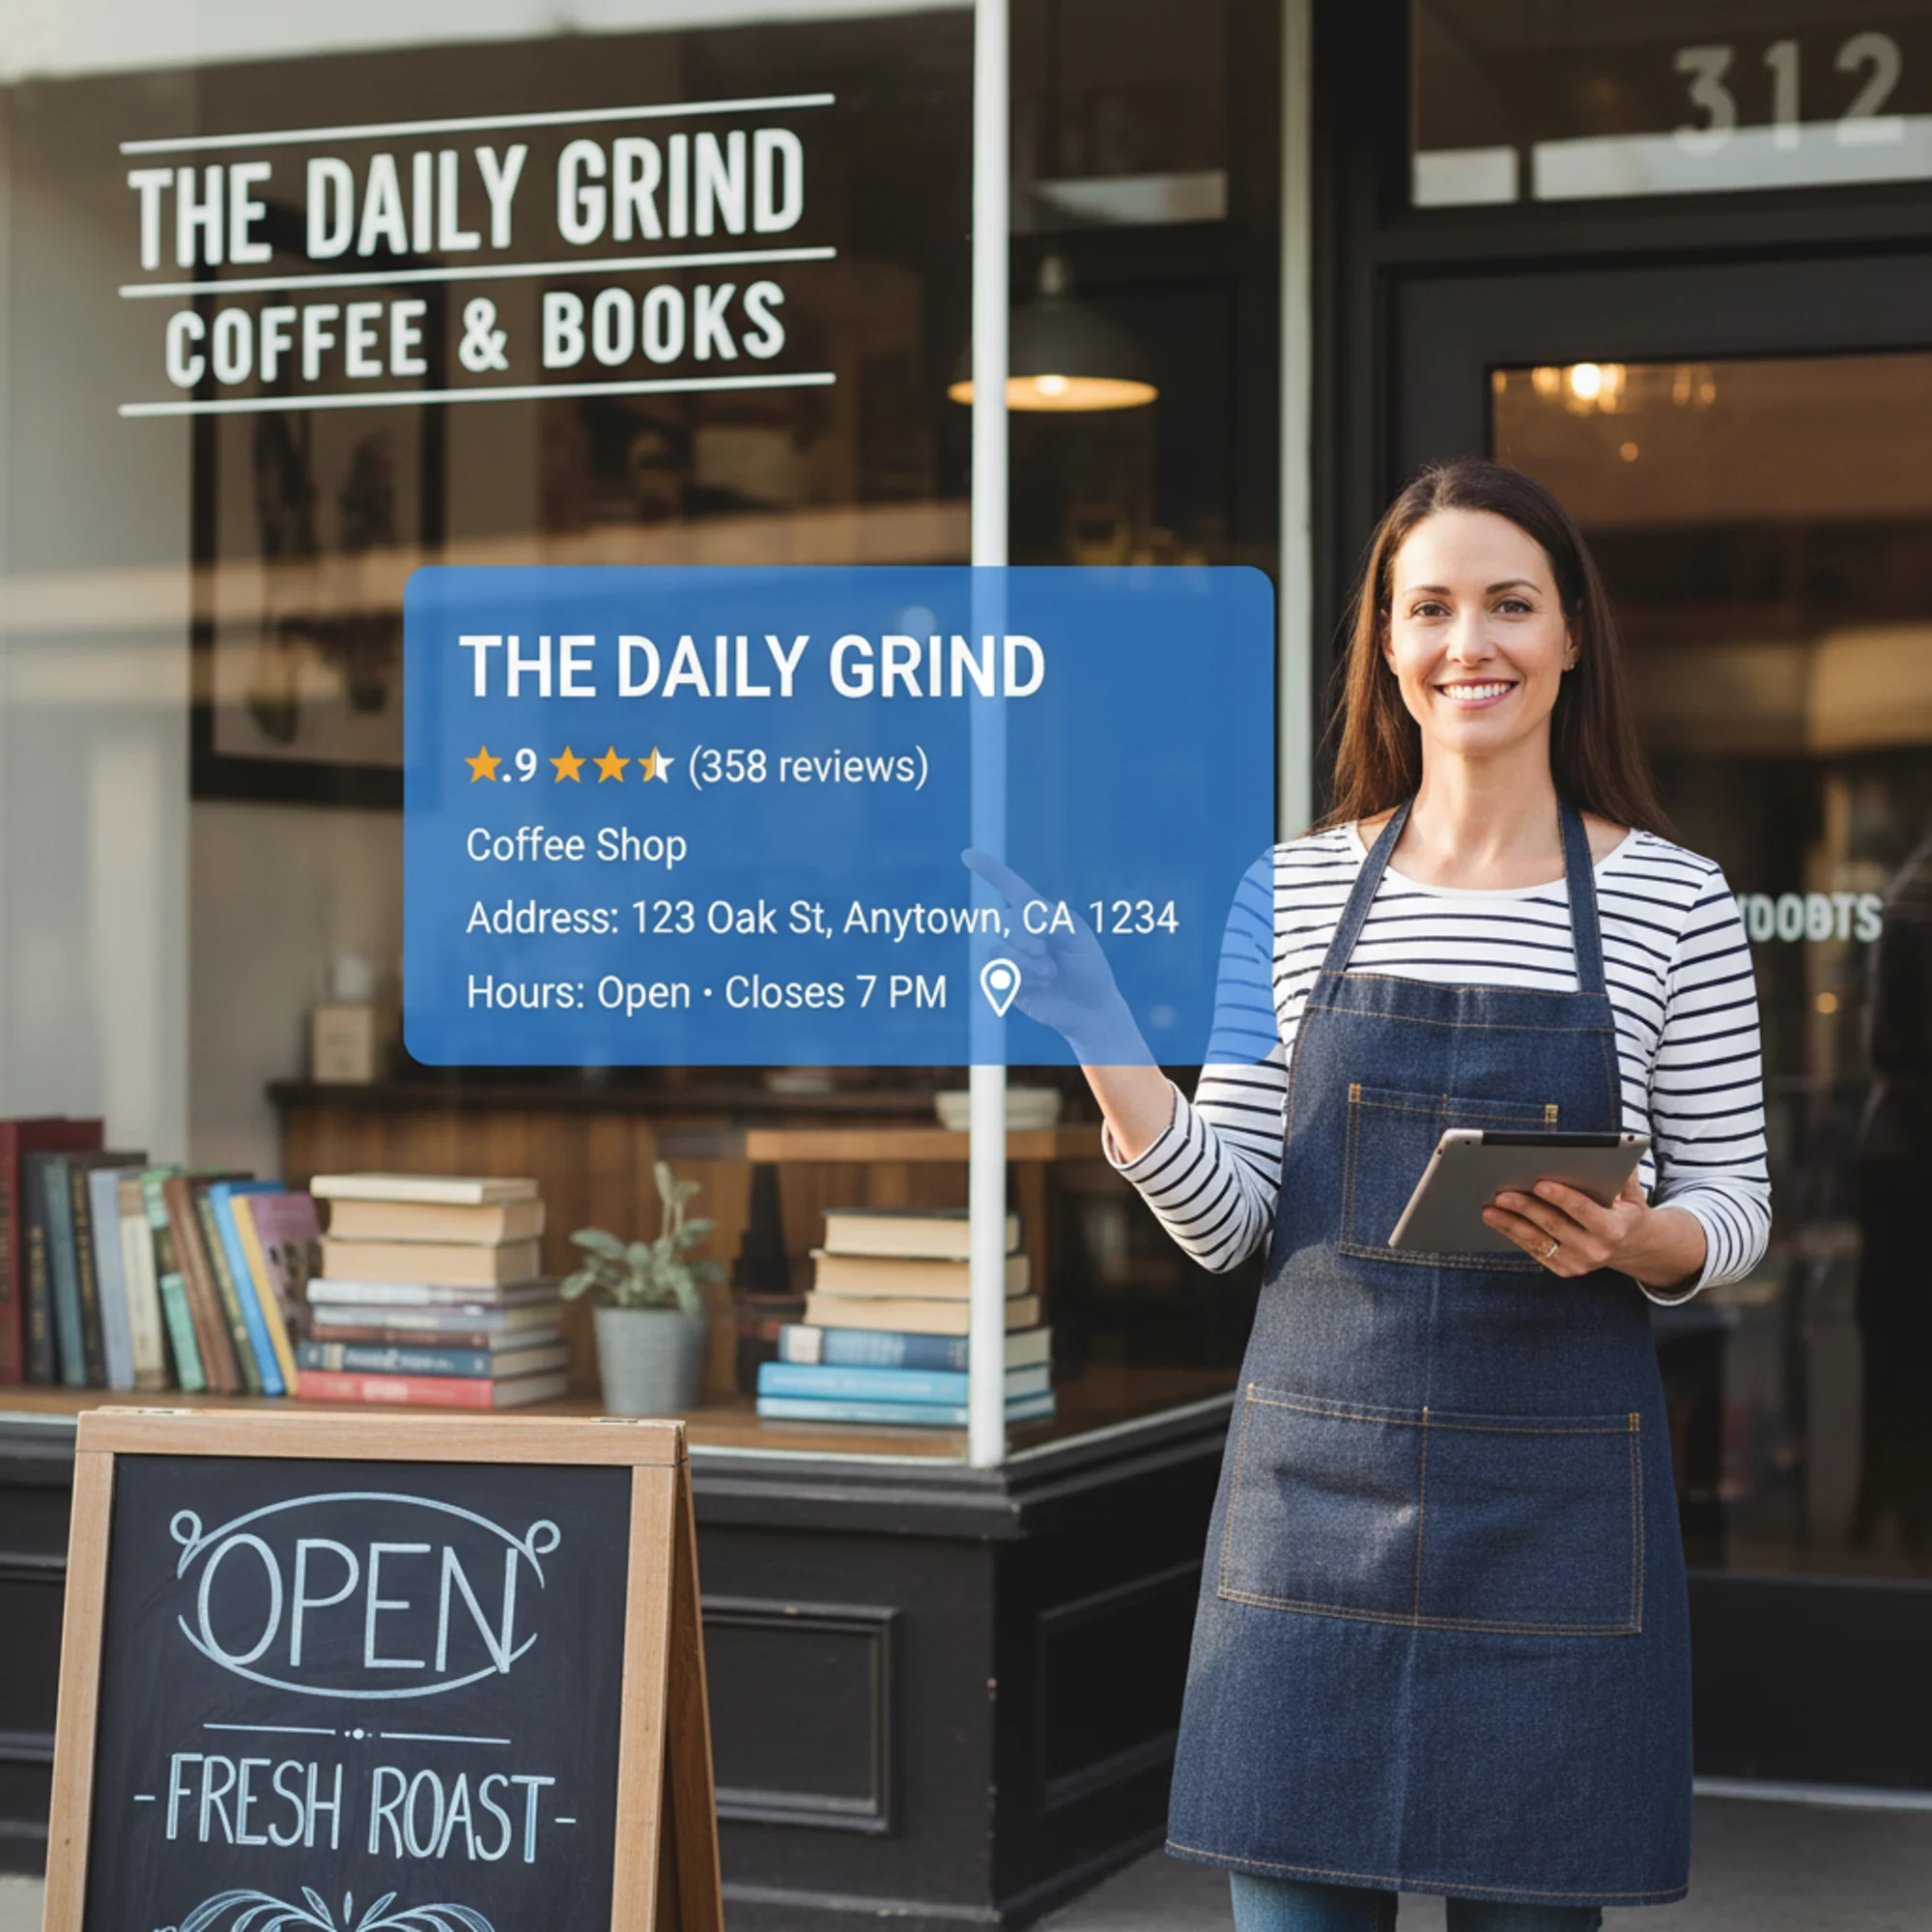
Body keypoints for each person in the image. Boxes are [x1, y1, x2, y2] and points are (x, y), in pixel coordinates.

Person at [980, 459, 1772, 1928]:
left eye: (1510, 604)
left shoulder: (1677, 900)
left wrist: (1644, 1236)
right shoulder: (1284, 893)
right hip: (1312, 1496)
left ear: (1573, 634)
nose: (1470, 641)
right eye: (1432, 608)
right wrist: (1101, 1038)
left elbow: (1735, 1202)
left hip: (1555, 1507)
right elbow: (1229, 1221)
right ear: (1388, 646)